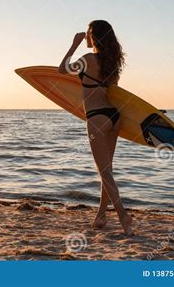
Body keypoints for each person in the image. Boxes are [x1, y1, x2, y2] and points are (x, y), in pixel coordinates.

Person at [58, 20, 133, 235]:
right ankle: (101, 215)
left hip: (97, 118)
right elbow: (114, 93)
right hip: (113, 117)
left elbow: (62, 69)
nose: (86, 36)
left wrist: (73, 45)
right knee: (106, 170)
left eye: (89, 33)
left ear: (95, 36)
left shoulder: (88, 59)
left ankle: (123, 216)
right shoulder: (112, 63)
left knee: (105, 172)